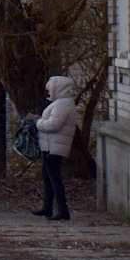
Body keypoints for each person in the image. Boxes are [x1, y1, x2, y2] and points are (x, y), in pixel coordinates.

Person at [32, 75, 78, 220]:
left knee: (54, 177)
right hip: (51, 145)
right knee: (48, 176)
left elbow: (53, 124)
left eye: (50, 90)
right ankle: (48, 207)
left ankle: (62, 210)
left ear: (59, 89)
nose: (49, 93)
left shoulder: (62, 104)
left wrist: (38, 123)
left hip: (54, 146)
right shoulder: (61, 103)